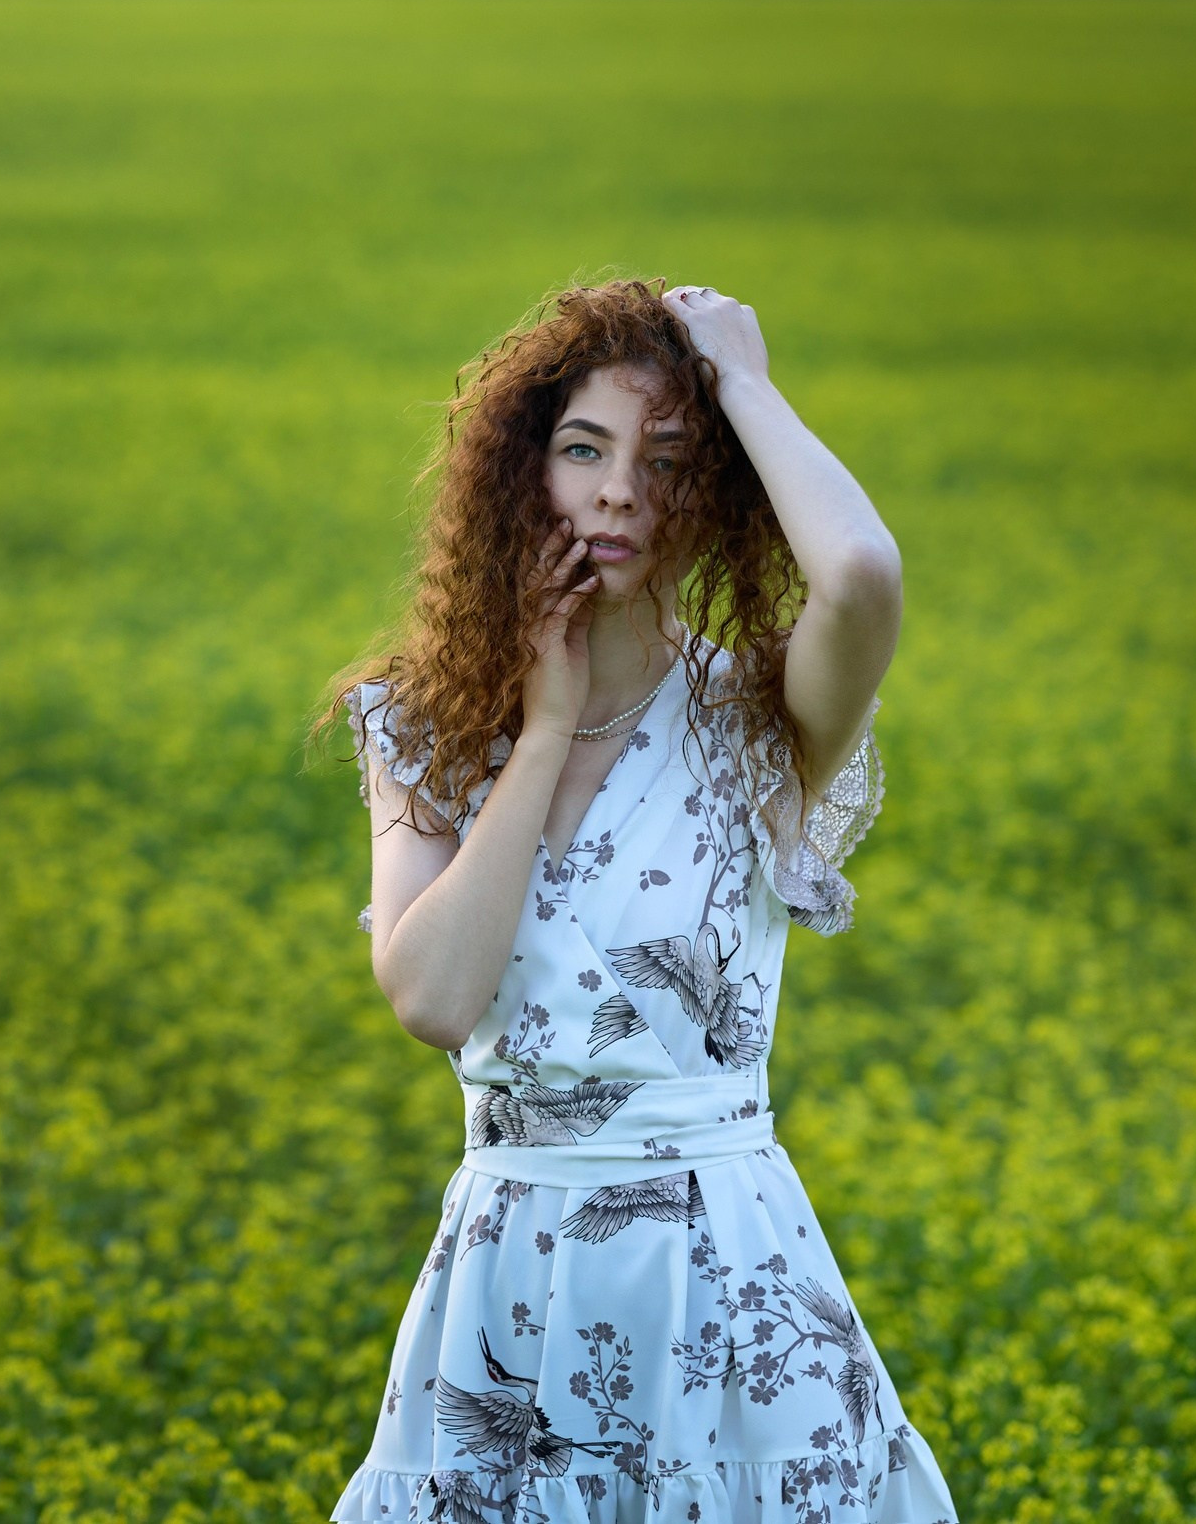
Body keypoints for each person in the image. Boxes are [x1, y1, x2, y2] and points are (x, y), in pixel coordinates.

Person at [324, 279, 959, 1522]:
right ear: (524, 473)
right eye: (583, 448)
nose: (618, 490)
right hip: (514, 1288)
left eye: (667, 461)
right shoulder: (421, 727)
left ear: (715, 493)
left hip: (731, 1286)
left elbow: (865, 573)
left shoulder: (758, 722)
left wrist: (746, 387)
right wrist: (547, 727)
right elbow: (436, 997)